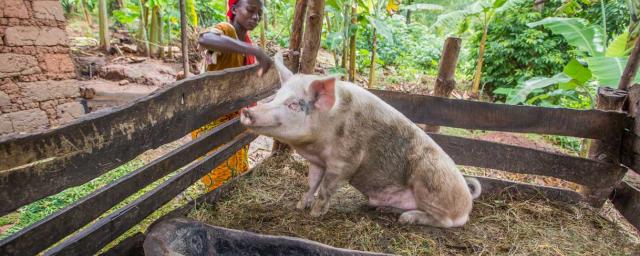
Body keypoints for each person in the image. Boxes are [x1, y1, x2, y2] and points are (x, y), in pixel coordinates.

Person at [193, 0, 272, 192]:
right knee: (220, 181)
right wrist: (253, 50)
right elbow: (205, 39)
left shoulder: (245, 41)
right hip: (214, 121)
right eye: (251, 11)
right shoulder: (226, 30)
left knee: (235, 179)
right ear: (234, 9)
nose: (255, 17)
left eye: (259, 14)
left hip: (234, 120)